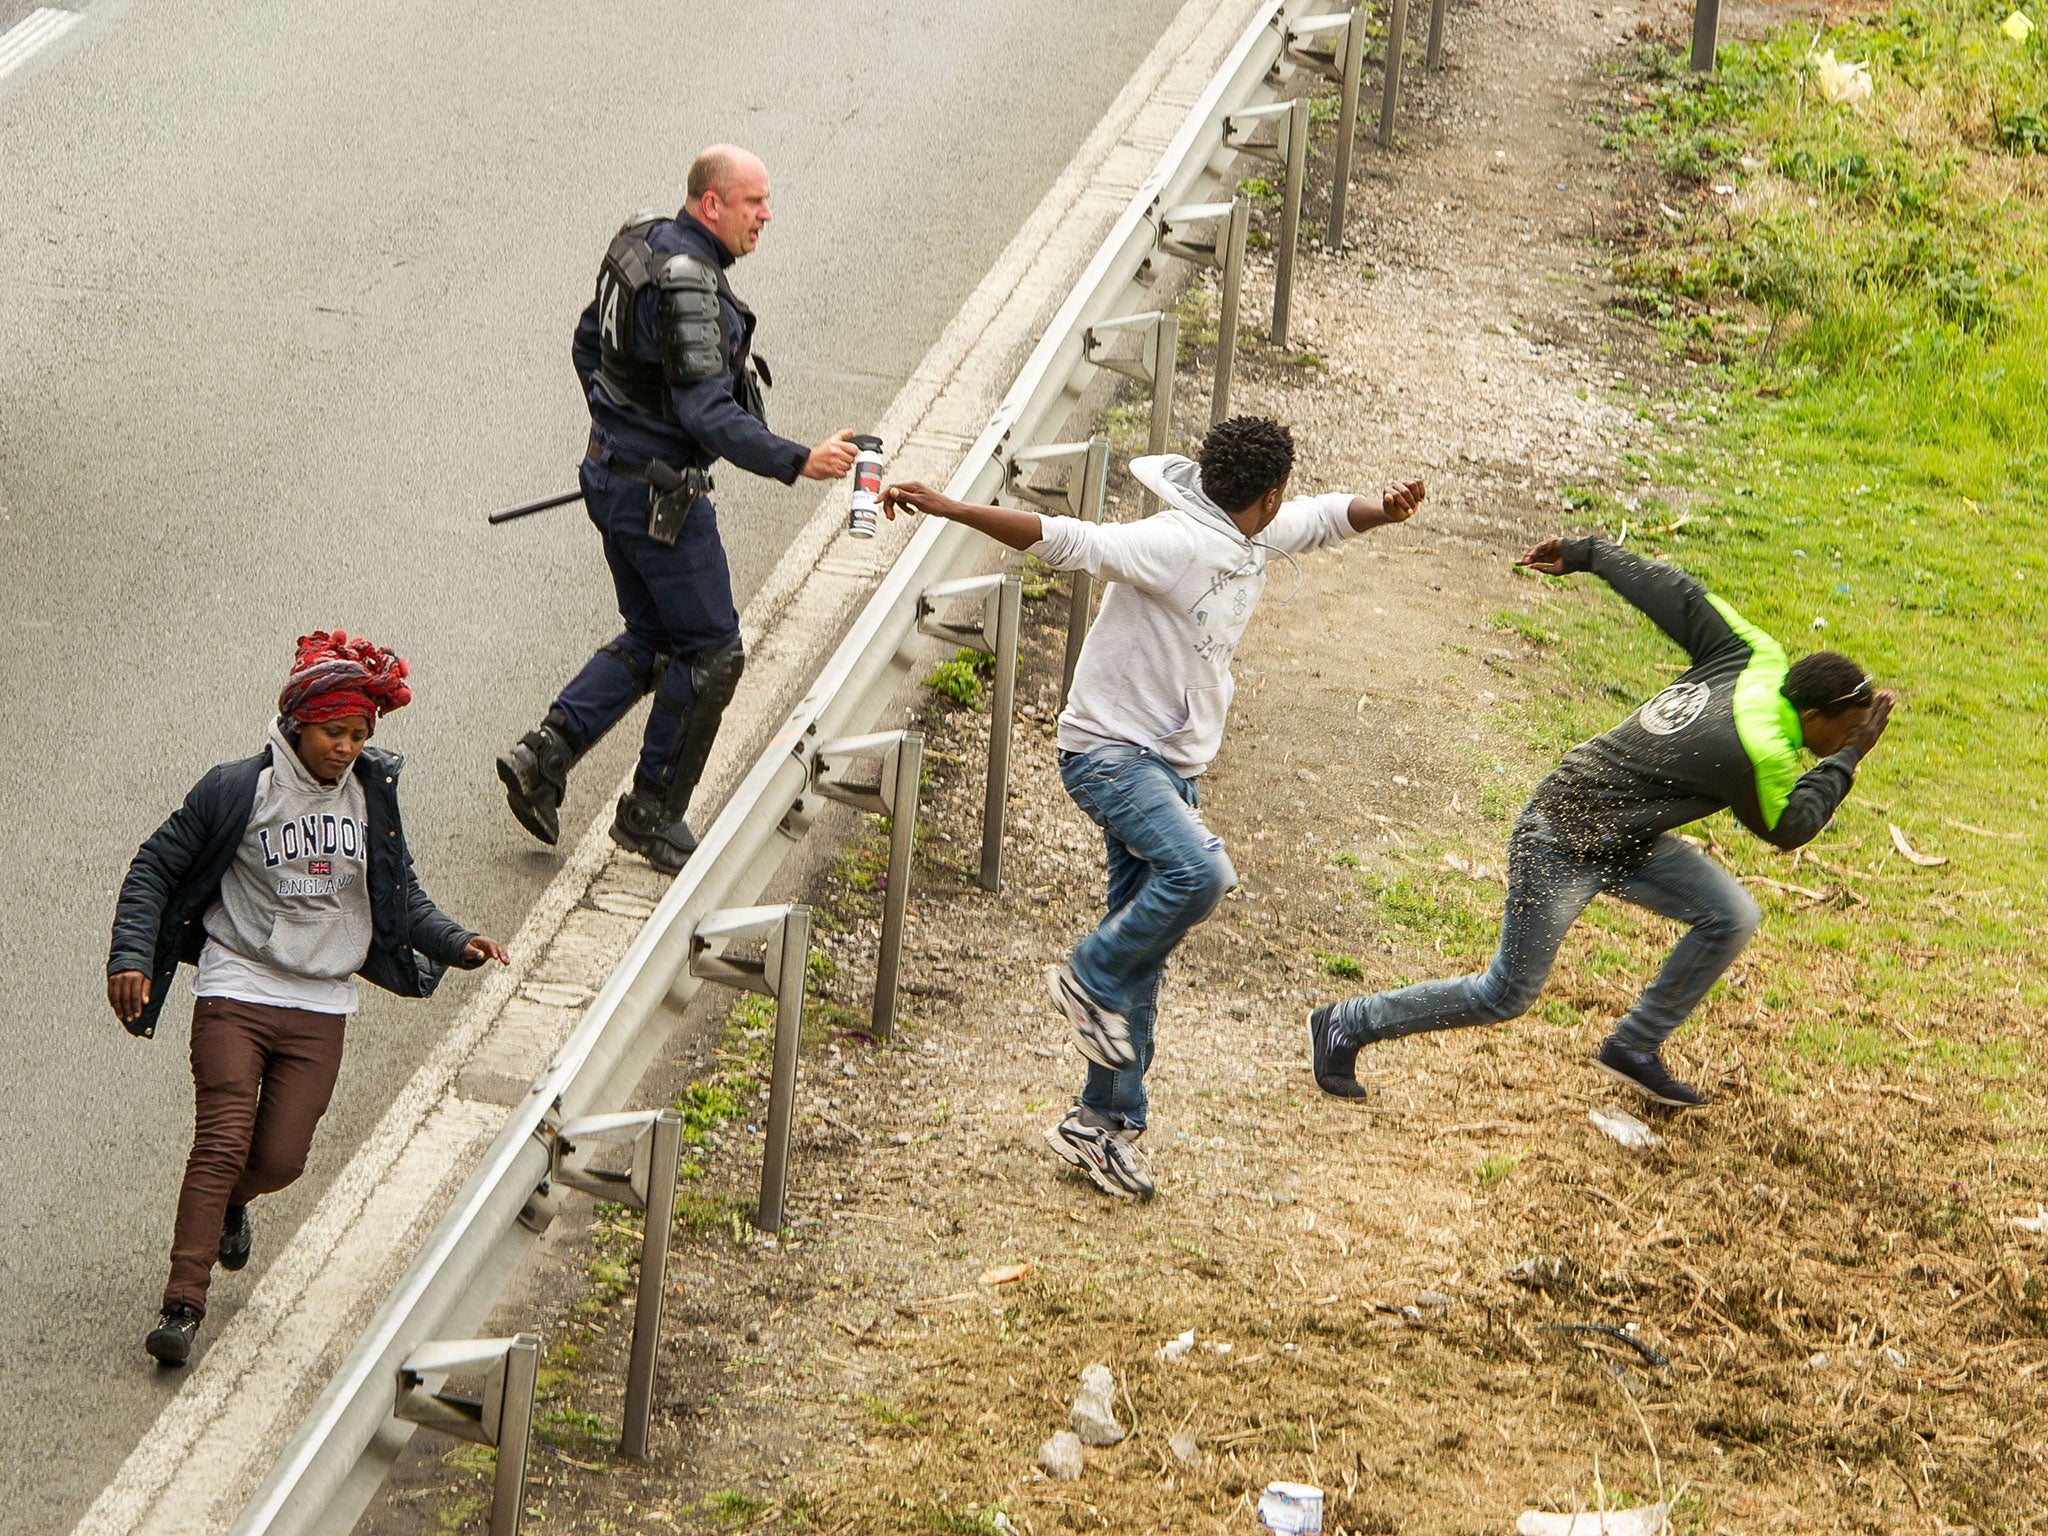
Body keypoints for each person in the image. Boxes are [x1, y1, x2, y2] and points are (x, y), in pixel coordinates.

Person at [883, 417, 1425, 1199]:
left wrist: (1383, 507)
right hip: (1108, 757)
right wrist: (951, 507)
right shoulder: (1176, 541)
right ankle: (1087, 975)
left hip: (1168, 771)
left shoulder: (1259, 533)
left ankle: (1100, 1125)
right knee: (1201, 877)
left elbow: (1328, 519)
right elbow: (1070, 539)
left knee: (1148, 959)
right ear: (1266, 495)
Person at [1309, 534, 1895, 1109]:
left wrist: (1591, 553)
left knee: (1731, 914)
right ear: (1814, 715)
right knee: (1506, 993)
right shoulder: (1759, 750)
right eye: (1846, 728)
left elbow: (1677, 594)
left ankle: (1634, 1045)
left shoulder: (1755, 654)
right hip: (1562, 836)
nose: (1852, 737)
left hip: (1623, 834)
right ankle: (1345, 1023)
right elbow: (1790, 827)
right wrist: (1849, 758)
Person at [107, 631, 511, 1367]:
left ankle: (234, 1201)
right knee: (222, 1140)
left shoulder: (370, 799)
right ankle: (182, 1303)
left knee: (282, 1159)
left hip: (320, 1005)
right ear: (298, 724)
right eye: (335, 732)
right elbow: (154, 868)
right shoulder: (238, 790)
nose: (349, 747)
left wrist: (457, 940)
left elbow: (401, 897)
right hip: (237, 984)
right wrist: (131, 955)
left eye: (360, 734)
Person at [496, 146, 861, 875]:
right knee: (711, 650)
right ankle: (651, 814)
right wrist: (798, 459)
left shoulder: (638, 244)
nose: (766, 215)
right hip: (659, 498)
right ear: (710, 204)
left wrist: (617, 428)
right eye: (753, 202)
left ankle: (545, 756)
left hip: (611, 476)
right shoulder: (693, 284)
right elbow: (706, 413)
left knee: (658, 635)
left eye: (767, 201)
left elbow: (585, 345)